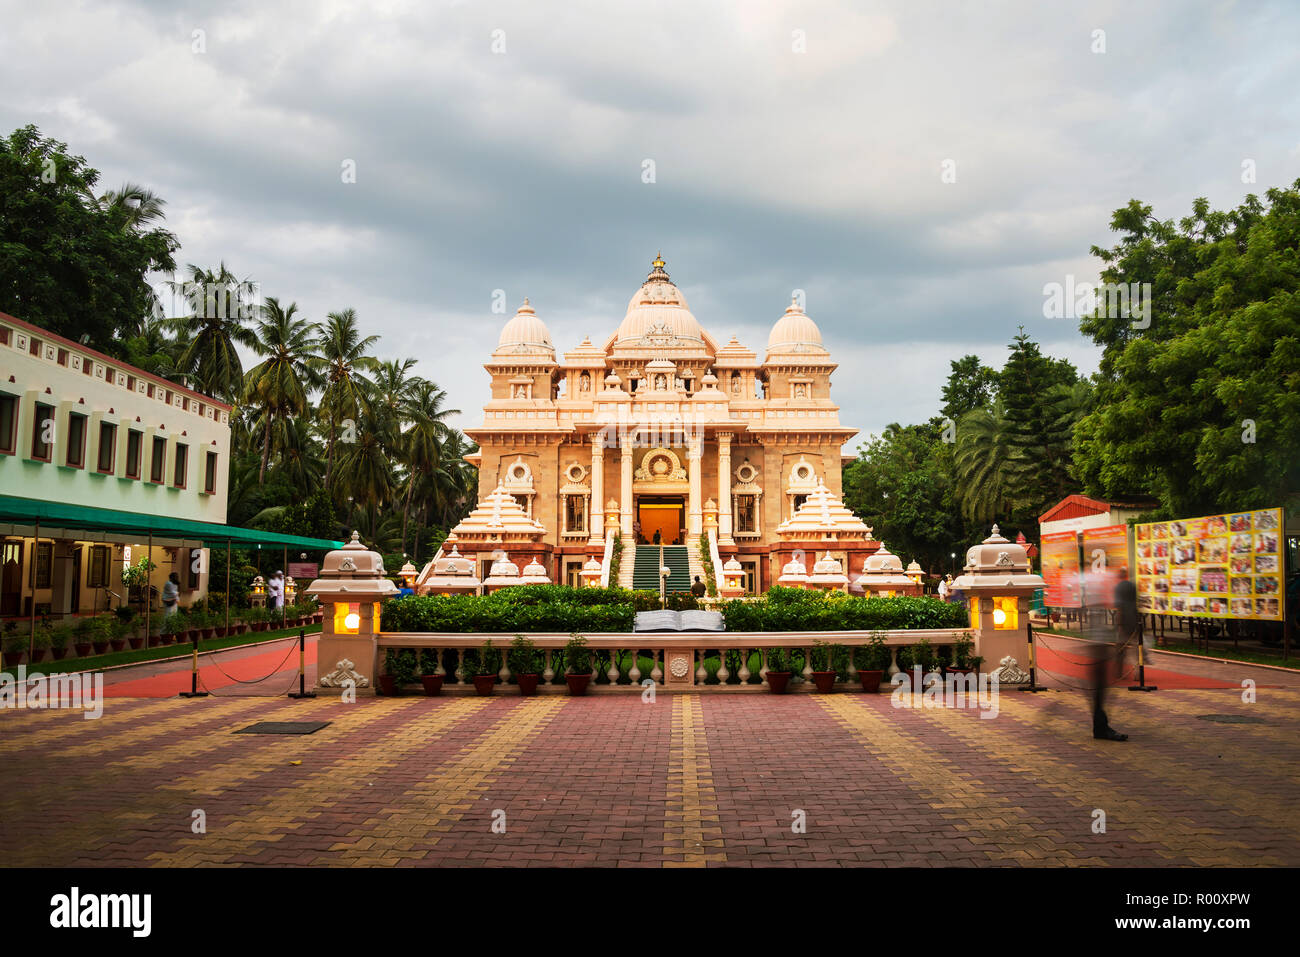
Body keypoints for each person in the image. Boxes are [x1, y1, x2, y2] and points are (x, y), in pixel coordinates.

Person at [1086, 568, 1134, 742]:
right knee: (1099, 689)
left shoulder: (1097, 589)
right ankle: (1100, 728)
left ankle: (1101, 725)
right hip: (1097, 647)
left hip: (1098, 645)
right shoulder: (1098, 590)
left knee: (1100, 690)